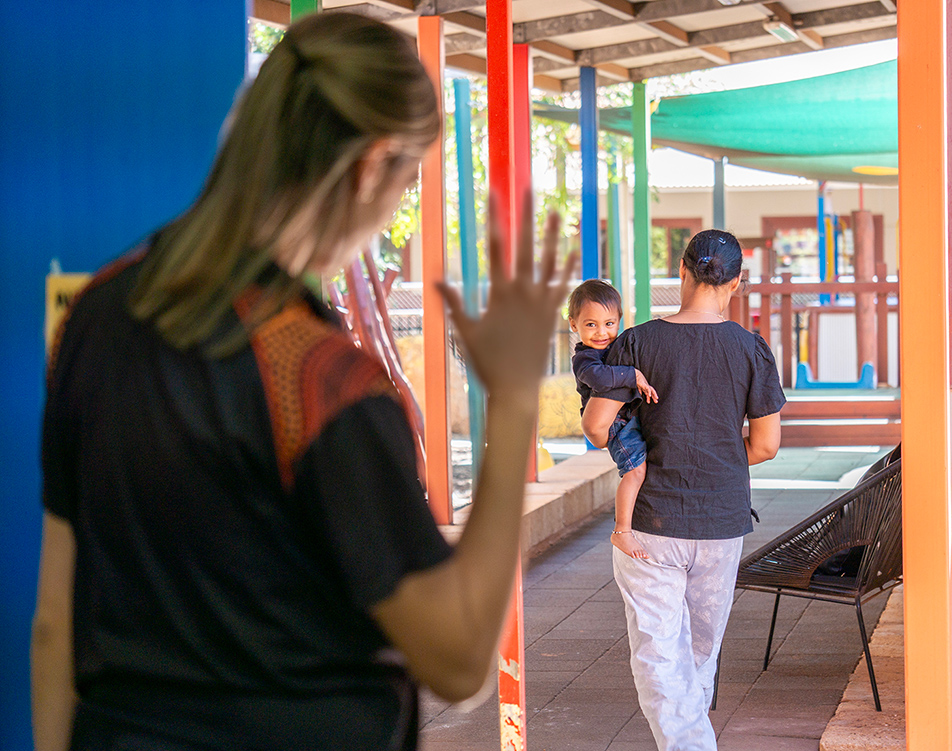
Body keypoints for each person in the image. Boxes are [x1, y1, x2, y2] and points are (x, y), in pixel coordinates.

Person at [32, 12, 574, 751]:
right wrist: (511, 402)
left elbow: (55, 624)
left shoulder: (96, 317)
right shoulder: (319, 379)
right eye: (406, 178)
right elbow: (457, 660)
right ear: (369, 165)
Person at [582, 229, 784, 751]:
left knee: (657, 653)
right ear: (736, 283)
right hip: (720, 521)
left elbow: (598, 425)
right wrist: (712, 453)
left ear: (682, 270)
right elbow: (765, 446)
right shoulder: (751, 349)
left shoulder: (636, 342)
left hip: (651, 521)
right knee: (698, 651)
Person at [567, 279, 658, 559]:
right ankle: (622, 531)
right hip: (617, 426)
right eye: (590, 324)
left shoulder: (617, 347)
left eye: (609, 323)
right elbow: (600, 378)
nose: (601, 332)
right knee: (635, 472)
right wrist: (632, 375)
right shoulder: (585, 359)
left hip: (626, 418)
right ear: (574, 325)